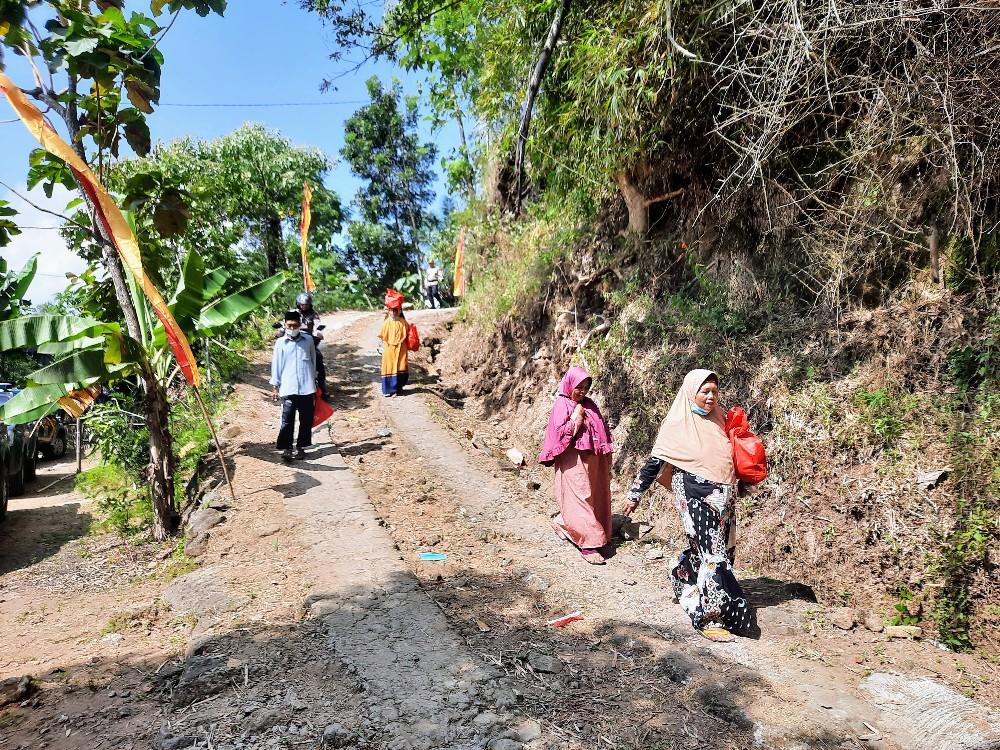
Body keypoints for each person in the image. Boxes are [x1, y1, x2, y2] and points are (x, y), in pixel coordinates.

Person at [621, 369, 753, 642]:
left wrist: (742, 480)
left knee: (723, 551)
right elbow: (654, 463)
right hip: (694, 492)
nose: (710, 397)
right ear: (691, 392)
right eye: (705, 391)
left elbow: (730, 455)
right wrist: (635, 494)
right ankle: (711, 618)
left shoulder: (720, 418)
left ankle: (683, 573)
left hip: (724, 495)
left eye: (714, 391)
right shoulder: (677, 423)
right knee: (713, 554)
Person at [538, 367, 614, 564]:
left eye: (586, 388)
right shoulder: (562, 405)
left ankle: (566, 524)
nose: (582, 391)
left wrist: (607, 460)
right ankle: (588, 544)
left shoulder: (590, 405)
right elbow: (559, 435)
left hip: (594, 460)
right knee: (580, 497)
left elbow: (603, 433)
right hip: (573, 459)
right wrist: (576, 418)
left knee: (595, 496)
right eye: (578, 386)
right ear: (570, 384)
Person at [270, 310, 317, 461]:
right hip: (288, 387)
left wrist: (314, 382)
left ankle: (301, 447)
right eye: (289, 325)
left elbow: (313, 361)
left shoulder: (308, 340)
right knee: (287, 419)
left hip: (307, 387)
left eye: (295, 325)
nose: (292, 328)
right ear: (285, 325)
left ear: (300, 325)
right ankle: (287, 448)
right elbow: (276, 365)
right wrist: (275, 386)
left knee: (306, 419)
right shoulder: (280, 343)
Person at [378, 289, 409, 397]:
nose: (394, 312)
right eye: (392, 310)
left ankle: (398, 389)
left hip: (401, 350)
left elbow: (407, 335)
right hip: (389, 350)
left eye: (396, 310)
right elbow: (382, 336)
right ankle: (390, 390)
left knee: (400, 368)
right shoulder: (386, 323)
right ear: (389, 311)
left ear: (400, 311)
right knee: (389, 367)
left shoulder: (403, 323)